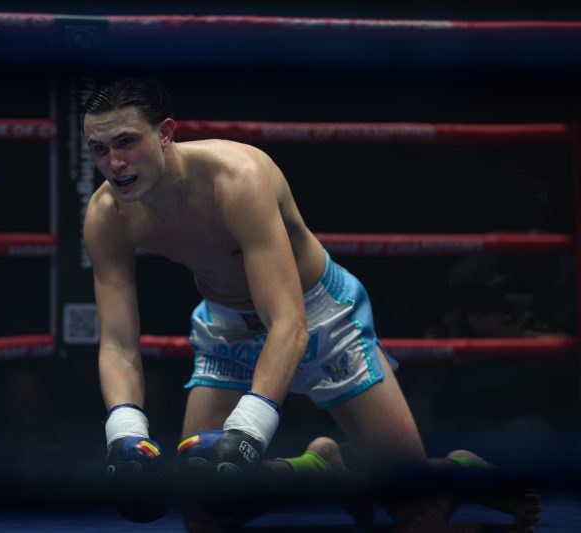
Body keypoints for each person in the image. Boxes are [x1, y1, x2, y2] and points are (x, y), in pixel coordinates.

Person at [81, 78, 538, 529]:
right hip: (227, 329)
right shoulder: (107, 215)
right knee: (204, 510)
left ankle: (462, 472)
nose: (114, 163)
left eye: (126, 142)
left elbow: (288, 322)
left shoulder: (237, 179)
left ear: (165, 133)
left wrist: (247, 433)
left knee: (415, 514)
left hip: (319, 318)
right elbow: (118, 343)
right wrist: (125, 434)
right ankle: (318, 468)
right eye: (99, 149)